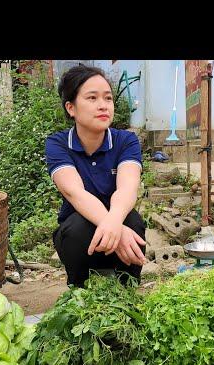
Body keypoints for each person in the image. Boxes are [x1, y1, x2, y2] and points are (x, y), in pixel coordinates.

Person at [45, 64, 147, 288]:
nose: (103, 106)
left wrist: (114, 225)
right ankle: (80, 292)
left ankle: (127, 292)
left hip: (119, 229)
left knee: (134, 222)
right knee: (78, 228)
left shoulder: (125, 141)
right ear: (71, 108)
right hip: (79, 241)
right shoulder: (58, 144)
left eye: (108, 98)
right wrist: (115, 228)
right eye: (92, 98)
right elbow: (75, 193)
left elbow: (127, 189)